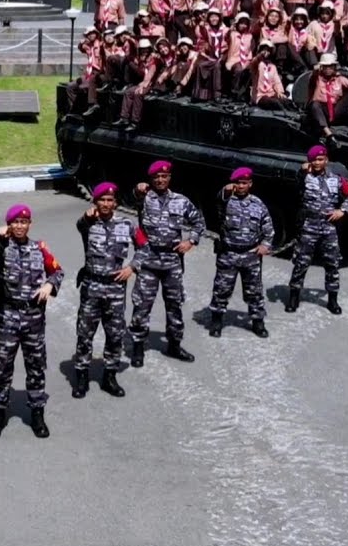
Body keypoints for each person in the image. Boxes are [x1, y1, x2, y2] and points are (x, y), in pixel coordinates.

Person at [0, 204, 63, 439]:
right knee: (1, 367)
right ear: (9, 225)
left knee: (36, 367)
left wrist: (50, 284)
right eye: (15, 222)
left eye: (24, 222)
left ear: (30, 224)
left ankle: (37, 413)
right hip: (7, 316)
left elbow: (57, 271)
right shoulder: (2, 248)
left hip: (33, 318)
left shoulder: (40, 249)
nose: (19, 226)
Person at [129, 161, 205, 366]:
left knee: (174, 304)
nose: (160, 180)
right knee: (142, 305)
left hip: (172, 262)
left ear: (169, 177)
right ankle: (137, 347)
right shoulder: (144, 198)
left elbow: (199, 222)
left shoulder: (181, 201)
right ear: (151, 179)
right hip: (148, 261)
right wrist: (137, 188)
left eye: (164, 176)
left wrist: (191, 241)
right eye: (156, 177)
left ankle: (174, 344)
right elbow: (133, 194)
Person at [71, 183, 136, 399]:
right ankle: (81, 376)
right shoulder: (88, 224)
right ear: (95, 202)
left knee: (115, 334)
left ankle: (110, 376)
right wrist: (87, 218)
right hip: (92, 286)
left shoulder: (127, 224)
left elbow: (146, 248)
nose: (106, 204)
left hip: (116, 288)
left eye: (110, 200)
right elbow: (80, 225)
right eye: (102, 200)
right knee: (85, 333)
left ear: (115, 202)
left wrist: (132, 267)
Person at [287, 145, 348, 314]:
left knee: (332, 264)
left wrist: (342, 210)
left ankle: (332, 300)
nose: (318, 162)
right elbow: (296, 186)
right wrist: (302, 171)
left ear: (326, 160)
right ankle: (294, 296)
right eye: (314, 160)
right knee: (301, 262)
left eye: (321, 159)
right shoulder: (304, 177)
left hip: (329, 227)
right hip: (309, 225)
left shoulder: (336, 178)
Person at [209, 167, 273, 339]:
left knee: (254, 291)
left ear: (250, 184)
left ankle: (258, 321)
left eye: (244, 183)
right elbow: (218, 200)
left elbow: (268, 228)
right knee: (222, 289)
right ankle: (216, 320)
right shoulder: (226, 201)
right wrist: (225, 191)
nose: (240, 186)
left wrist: (265, 245)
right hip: (229, 253)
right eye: (237, 182)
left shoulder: (258, 204)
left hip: (251, 255)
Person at [307, 53, 348, 145]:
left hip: (335, 109)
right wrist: (318, 67)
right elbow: (314, 74)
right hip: (320, 111)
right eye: (325, 67)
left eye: (330, 67)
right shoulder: (316, 78)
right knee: (315, 104)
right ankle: (329, 134)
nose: (328, 69)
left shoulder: (339, 79)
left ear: (334, 67)